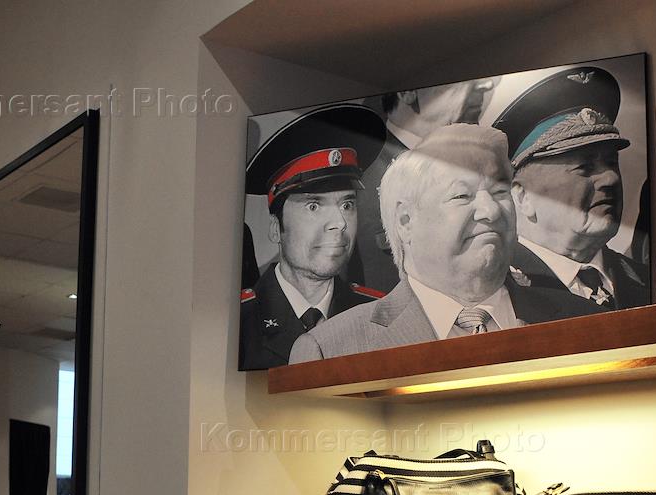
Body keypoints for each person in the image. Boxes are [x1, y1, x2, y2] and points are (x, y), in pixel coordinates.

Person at [289, 124, 580, 362]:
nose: (491, 211)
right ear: (406, 221)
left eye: (499, 192)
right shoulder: (331, 350)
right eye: (462, 195)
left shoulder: (583, 319)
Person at [239, 104, 387, 370]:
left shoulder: (380, 314)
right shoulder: (242, 321)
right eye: (314, 206)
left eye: (347, 205)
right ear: (275, 227)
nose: (339, 223)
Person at [495, 67, 650, 315]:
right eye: (584, 167)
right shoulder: (495, 293)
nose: (610, 178)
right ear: (522, 197)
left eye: (612, 163)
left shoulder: (645, 279)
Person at [353, 78, 502, 294]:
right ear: (407, 92)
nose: (486, 85)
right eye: (460, 77)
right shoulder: (362, 184)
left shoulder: (486, 163)